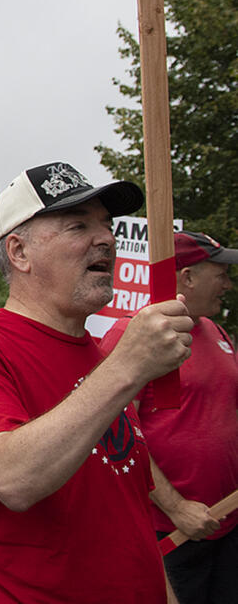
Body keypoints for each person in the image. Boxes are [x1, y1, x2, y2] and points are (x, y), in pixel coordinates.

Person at [0, 161, 195, 604]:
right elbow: (14, 480)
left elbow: (127, 509)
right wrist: (126, 367)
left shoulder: (100, 358)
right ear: (19, 253)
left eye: (107, 225)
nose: (107, 239)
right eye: (78, 225)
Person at [100, 230, 238, 604]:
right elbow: (116, 434)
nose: (227, 284)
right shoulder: (132, 335)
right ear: (187, 277)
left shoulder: (215, 331)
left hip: (226, 523)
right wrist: (177, 508)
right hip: (170, 532)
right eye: (220, 273)